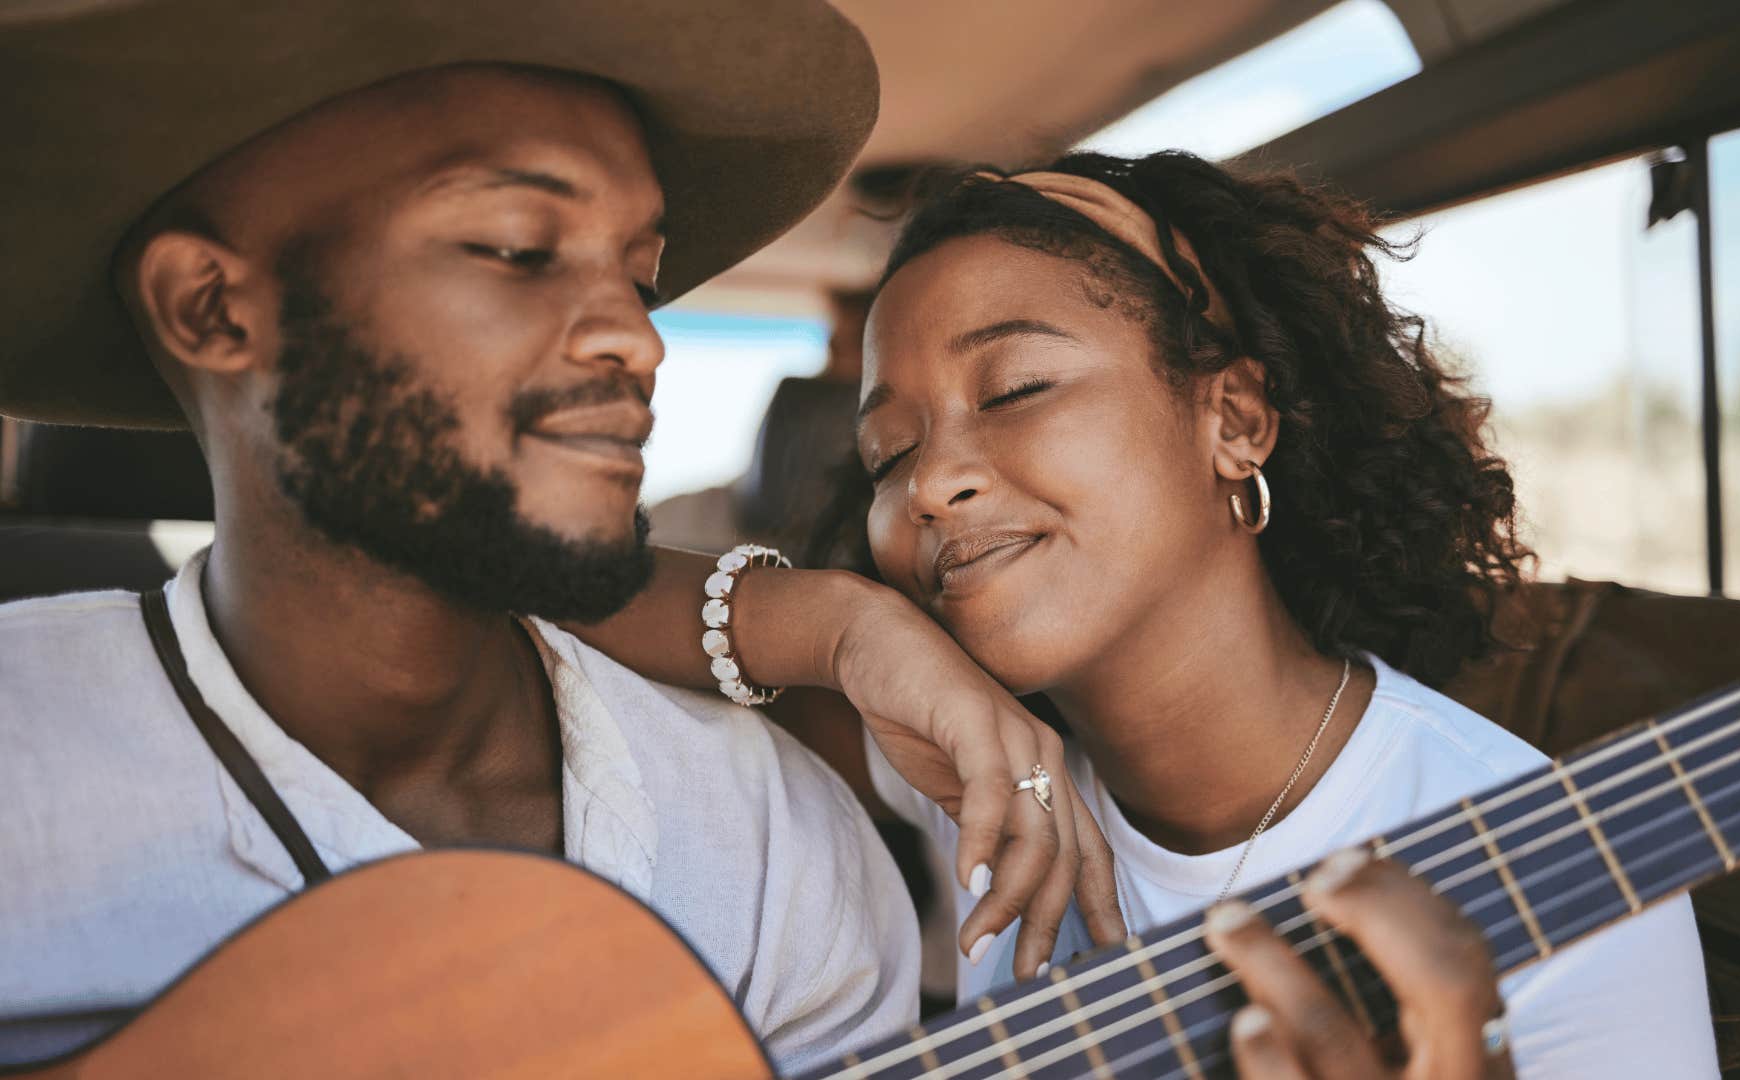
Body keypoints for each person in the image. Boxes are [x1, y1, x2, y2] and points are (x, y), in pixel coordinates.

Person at [0, 3, 1119, 1070]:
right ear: (212, 308)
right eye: (517, 247)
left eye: (640, 274)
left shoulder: (773, 849)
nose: (635, 336)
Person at [585, 153, 1723, 1077]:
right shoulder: (969, 771)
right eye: (890, 450)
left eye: (1018, 388)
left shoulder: (1560, 876)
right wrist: (843, 627)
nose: (930, 484)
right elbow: (534, 591)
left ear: (1233, 419)